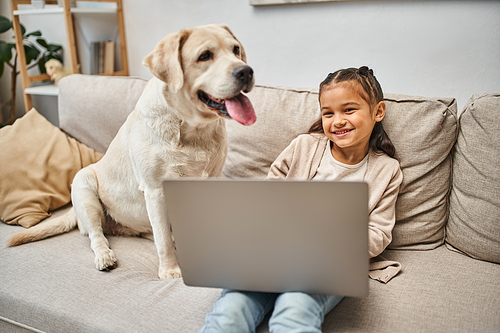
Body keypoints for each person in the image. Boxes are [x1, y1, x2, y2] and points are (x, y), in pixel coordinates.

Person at [198, 66, 403, 333]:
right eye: (328, 113)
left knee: (295, 310)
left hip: (328, 265)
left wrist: (332, 241)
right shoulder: (303, 146)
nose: (337, 120)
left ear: (378, 112)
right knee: (231, 311)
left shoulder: (387, 171)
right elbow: (267, 199)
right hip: (272, 254)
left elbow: (378, 234)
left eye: (349, 110)